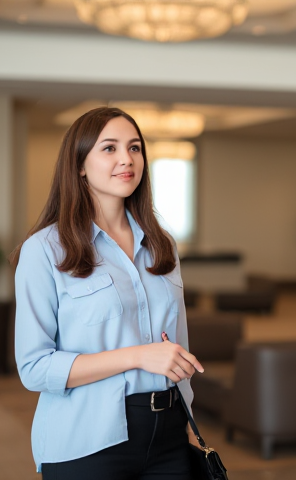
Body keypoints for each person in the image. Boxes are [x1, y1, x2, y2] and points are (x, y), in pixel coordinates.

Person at [13, 107, 204, 480]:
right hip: (88, 440)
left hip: (168, 436)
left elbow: (176, 345)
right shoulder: (45, 250)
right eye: (109, 148)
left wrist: (184, 416)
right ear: (80, 165)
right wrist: (137, 356)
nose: (126, 159)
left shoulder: (162, 246)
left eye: (134, 148)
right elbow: (34, 368)